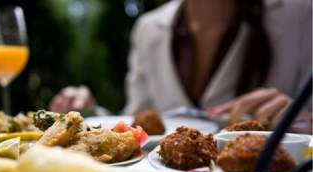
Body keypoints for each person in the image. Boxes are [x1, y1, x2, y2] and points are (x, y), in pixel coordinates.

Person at [50, 0, 312, 132]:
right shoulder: (147, 28)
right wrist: (91, 113)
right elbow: (137, 123)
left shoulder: (301, 14)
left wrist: (304, 123)